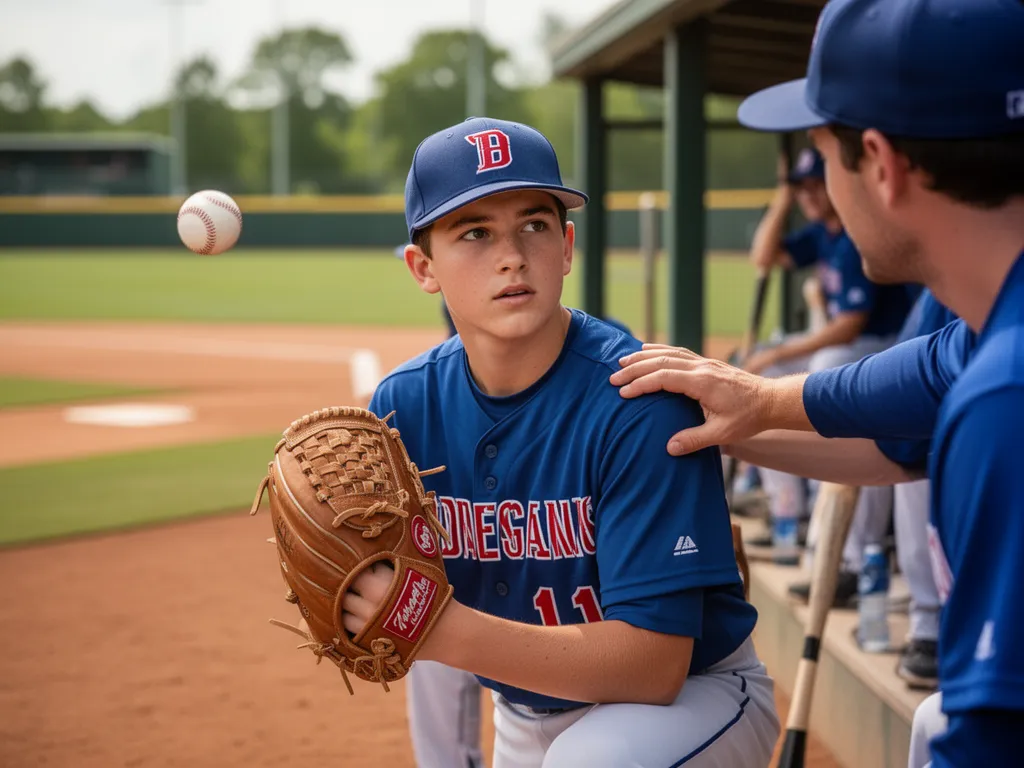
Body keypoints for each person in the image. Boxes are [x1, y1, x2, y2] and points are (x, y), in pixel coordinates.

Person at [610, 0, 1024, 765]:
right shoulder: (990, 331)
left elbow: (992, 743)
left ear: (883, 164)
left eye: (826, 153)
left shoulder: (1005, 401)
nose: (825, 184)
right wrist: (756, 403)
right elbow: (916, 390)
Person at [345, 116, 779, 768]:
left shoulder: (637, 397)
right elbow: (397, 607)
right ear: (423, 267)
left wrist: (434, 626)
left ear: (568, 246)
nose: (512, 254)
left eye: (534, 225)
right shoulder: (402, 407)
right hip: (525, 712)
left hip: (692, 699)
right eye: (475, 233)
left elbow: (656, 665)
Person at [744, 147, 912, 599]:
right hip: (846, 348)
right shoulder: (821, 232)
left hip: (885, 347)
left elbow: (850, 326)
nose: (809, 196)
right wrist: (782, 199)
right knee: (765, 367)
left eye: (816, 184)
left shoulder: (856, 234)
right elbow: (763, 256)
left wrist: (782, 354)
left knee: (813, 369)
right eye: (802, 188)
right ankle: (790, 513)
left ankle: (852, 553)